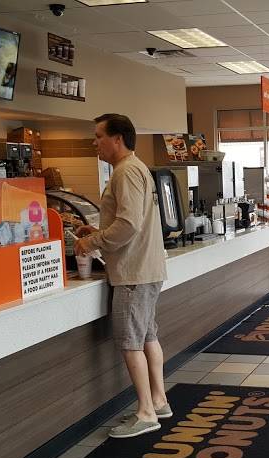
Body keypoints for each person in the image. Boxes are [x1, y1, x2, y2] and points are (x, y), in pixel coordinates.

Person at [75, 113, 170, 439]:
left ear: (117, 139)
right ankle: (158, 400)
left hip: (133, 272)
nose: (95, 143)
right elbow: (130, 221)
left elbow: (128, 225)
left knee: (131, 343)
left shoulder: (125, 171)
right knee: (147, 337)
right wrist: (98, 230)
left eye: (99, 136)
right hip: (147, 268)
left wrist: (91, 242)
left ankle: (145, 413)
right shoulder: (137, 168)